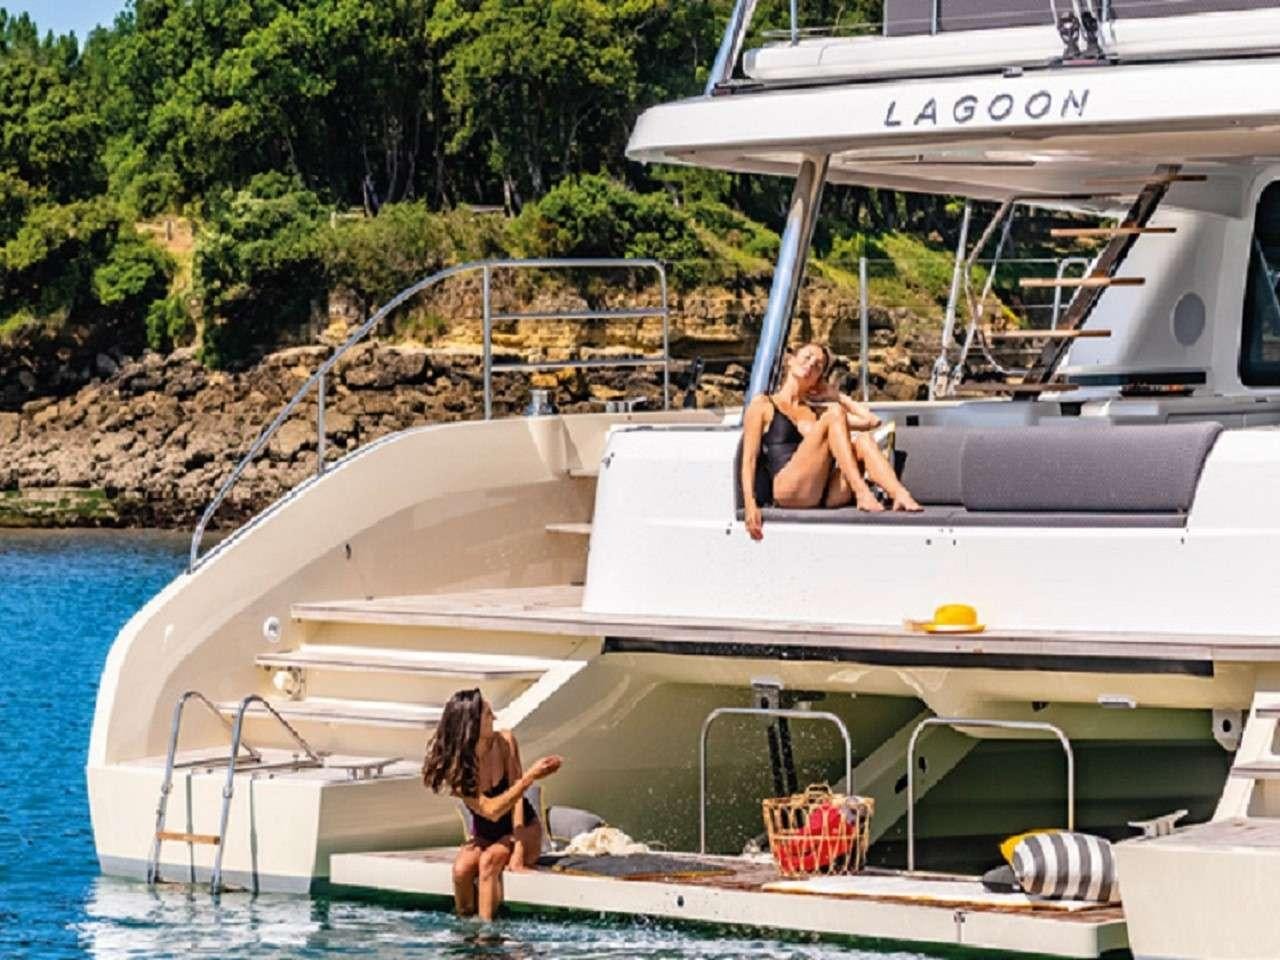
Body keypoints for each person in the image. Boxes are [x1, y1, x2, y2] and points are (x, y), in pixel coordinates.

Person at [740, 341, 922, 541]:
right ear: (790, 360)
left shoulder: (815, 413)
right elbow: (749, 459)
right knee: (834, 414)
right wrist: (750, 504)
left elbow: (871, 421)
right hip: (788, 490)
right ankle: (862, 492)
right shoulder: (762, 405)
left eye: (818, 366)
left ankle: (900, 494)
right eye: (807, 357)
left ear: (819, 379)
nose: (811, 365)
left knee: (862, 440)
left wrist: (838, 396)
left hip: (823, 493)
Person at [422, 689, 563, 920]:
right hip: (486, 832)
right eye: (488, 715)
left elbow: (516, 801)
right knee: (461, 869)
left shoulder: (505, 741)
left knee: (489, 862)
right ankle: (466, 929)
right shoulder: (456, 765)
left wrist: (518, 849)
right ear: (472, 724)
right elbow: (490, 811)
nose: (495, 719)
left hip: (522, 829)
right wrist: (531, 777)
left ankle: (487, 938)